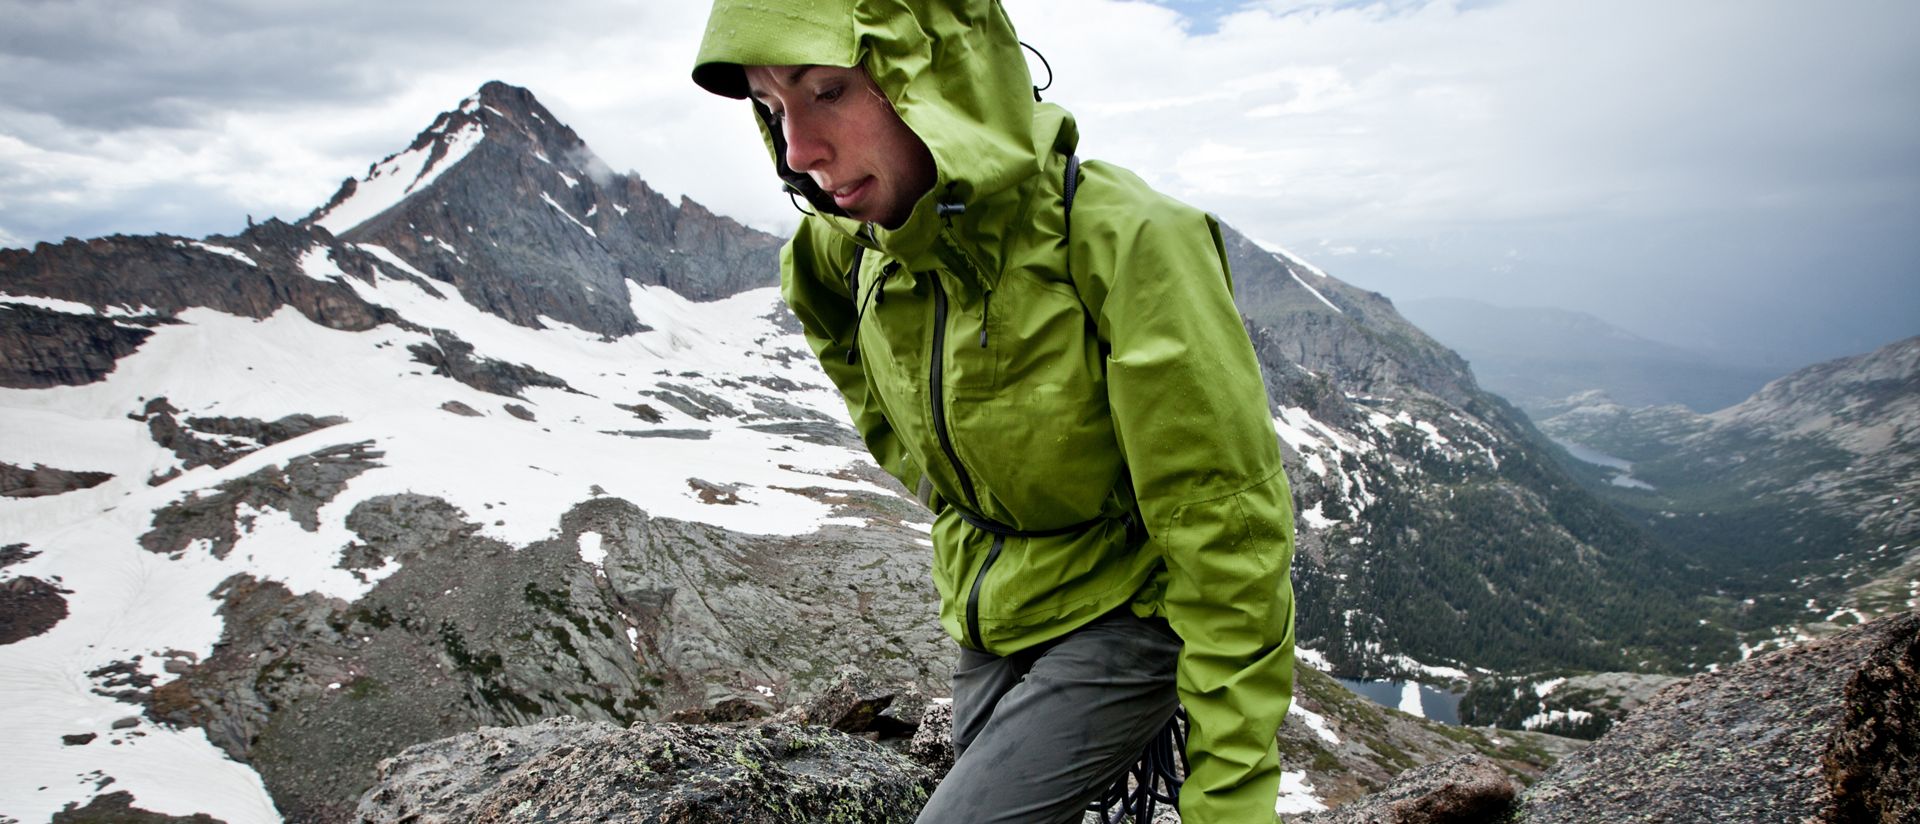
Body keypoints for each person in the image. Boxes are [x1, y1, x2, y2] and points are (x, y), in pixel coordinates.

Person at [691, 2, 1296, 821]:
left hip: (1133, 606)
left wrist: (1229, 802)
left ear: (936, 72)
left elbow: (1226, 526)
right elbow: (832, 328)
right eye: (772, 108)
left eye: (828, 91)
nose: (799, 150)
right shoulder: (848, 247)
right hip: (995, 607)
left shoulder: (1125, 238)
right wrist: (948, 492)